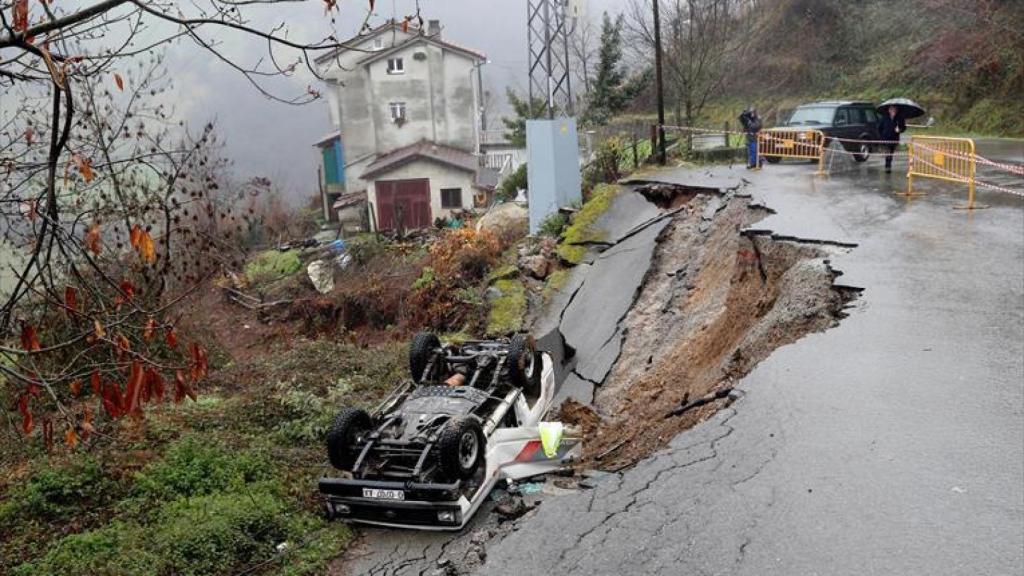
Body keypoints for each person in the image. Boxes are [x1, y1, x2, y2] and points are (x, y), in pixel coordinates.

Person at [877, 105, 907, 173]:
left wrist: (900, 130)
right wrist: (881, 137)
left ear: (897, 110)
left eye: (895, 110)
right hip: (885, 138)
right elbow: (879, 128)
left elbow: (904, 127)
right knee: (888, 152)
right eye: (892, 109)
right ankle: (888, 167)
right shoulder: (884, 117)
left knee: (891, 152)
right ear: (889, 110)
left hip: (894, 138)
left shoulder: (900, 118)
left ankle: (888, 165)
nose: (893, 111)